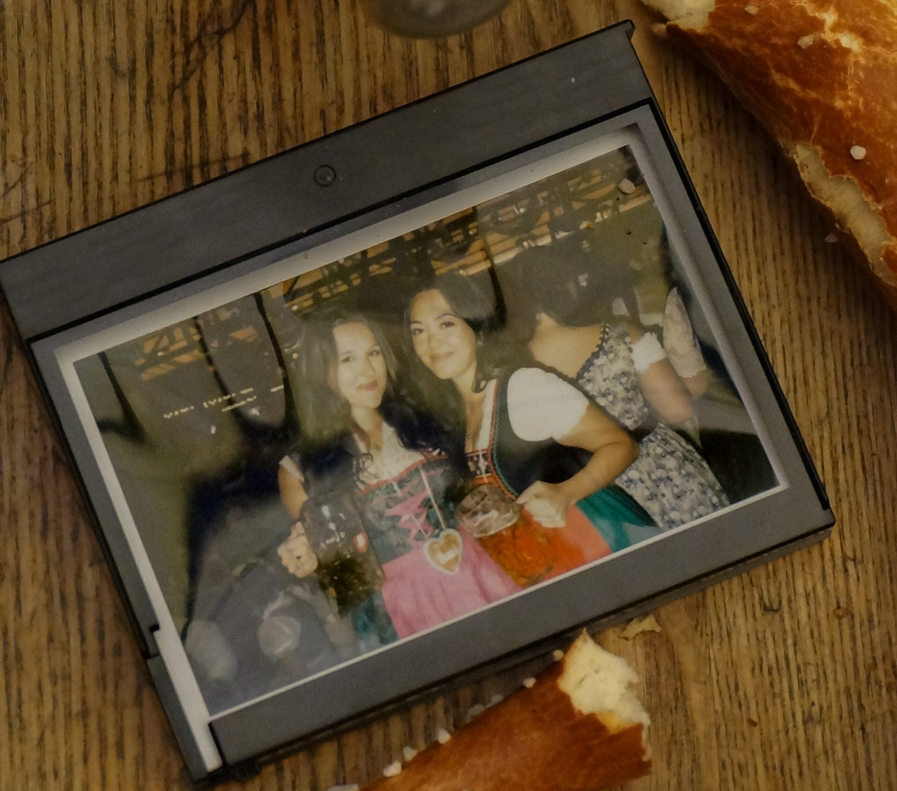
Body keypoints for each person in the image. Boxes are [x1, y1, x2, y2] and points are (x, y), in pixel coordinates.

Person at [276, 312, 519, 641]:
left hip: (482, 572)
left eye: (374, 353)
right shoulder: (299, 469)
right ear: (320, 372)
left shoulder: (425, 418)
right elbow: (322, 553)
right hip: (403, 608)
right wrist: (305, 555)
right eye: (348, 359)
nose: (368, 370)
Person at [404, 274, 656, 584]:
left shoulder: (525, 389)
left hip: (592, 539)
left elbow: (621, 445)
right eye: (419, 331)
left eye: (446, 324)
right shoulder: (454, 414)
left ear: (477, 326)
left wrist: (566, 492)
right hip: (534, 564)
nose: (432, 342)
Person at [502, 246, 729, 529]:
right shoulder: (623, 336)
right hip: (659, 468)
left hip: (590, 492)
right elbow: (678, 409)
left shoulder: (516, 370)